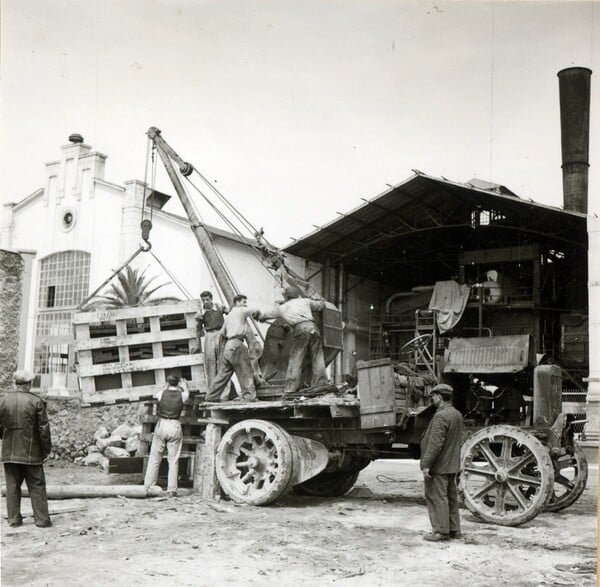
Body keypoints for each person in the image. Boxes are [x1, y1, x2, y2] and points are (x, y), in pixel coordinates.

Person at [0, 370, 52, 528]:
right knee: (37, 485)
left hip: (9, 452)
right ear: (29, 384)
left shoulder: (3, 400)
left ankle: (14, 520)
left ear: (16, 383)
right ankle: (42, 520)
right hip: (32, 452)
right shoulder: (36, 401)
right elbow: (43, 430)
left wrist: (5, 438)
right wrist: (46, 451)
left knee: (12, 486)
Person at [420, 383, 464, 542]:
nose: (432, 399)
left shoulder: (440, 416)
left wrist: (426, 465)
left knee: (436, 497)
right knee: (451, 498)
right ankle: (454, 530)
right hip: (451, 465)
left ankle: (440, 531)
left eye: (433, 396)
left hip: (439, 466)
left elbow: (435, 445)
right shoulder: (457, 414)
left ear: (439, 397)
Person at [205, 294, 259, 402]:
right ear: (237, 302)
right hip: (237, 345)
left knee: (222, 375)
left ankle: (211, 396)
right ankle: (249, 397)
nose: (245, 304)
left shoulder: (229, 315)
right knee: (245, 371)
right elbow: (254, 310)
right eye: (244, 302)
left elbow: (222, 333)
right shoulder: (240, 310)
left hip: (228, 347)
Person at [274, 286, 327, 394]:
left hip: (301, 330)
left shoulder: (285, 306)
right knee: (317, 357)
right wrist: (319, 298)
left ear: (287, 296)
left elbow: (267, 314)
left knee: (296, 359)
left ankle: (290, 389)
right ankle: (321, 385)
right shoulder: (306, 301)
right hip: (313, 328)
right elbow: (321, 305)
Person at [144, 375, 189, 497]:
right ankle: (171, 489)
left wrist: (165, 386)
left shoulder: (161, 393)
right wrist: (185, 386)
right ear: (178, 383)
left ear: (168, 383)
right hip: (174, 425)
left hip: (162, 423)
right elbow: (187, 394)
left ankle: (149, 485)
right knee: (173, 459)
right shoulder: (182, 395)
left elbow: (159, 393)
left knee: (155, 456)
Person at [192, 290, 227, 388]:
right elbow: (198, 328)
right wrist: (197, 344)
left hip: (221, 334)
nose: (206, 302)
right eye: (203, 300)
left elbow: (230, 312)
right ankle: (213, 390)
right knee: (210, 362)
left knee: (223, 361)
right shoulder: (201, 312)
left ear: (211, 299)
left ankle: (225, 392)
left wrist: (226, 309)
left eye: (207, 299)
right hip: (209, 335)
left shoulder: (219, 307)